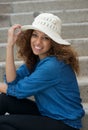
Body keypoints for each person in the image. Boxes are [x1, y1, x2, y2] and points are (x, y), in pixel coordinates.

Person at [0, 13, 85, 130]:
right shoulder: (38, 60)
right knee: (4, 100)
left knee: (3, 123)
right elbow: (11, 82)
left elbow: (19, 90)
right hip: (48, 114)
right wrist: (10, 45)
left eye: (45, 38)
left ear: (53, 42)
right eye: (35, 35)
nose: (38, 42)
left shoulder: (53, 65)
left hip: (65, 124)